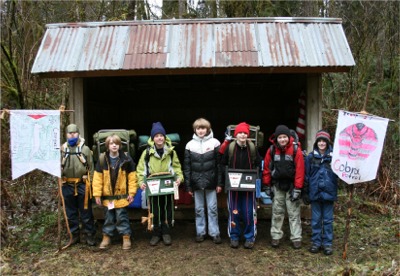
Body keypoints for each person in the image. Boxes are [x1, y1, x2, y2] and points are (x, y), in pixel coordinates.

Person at [137, 122, 184, 246]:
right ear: (153, 138)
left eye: (161, 135)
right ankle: (156, 233)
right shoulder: (147, 153)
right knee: (155, 209)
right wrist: (141, 182)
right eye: (156, 136)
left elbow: (177, 167)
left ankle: (166, 232)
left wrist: (179, 178)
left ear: (165, 137)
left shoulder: (171, 152)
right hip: (153, 187)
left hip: (167, 185)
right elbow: (141, 169)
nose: (159, 138)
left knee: (167, 207)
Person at [219, 122, 261, 249]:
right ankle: (234, 236)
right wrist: (224, 182)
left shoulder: (252, 148)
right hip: (234, 187)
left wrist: (258, 184)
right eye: (240, 133)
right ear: (235, 135)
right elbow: (222, 164)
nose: (242, 135)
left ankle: (249, 237)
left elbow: (259, 165)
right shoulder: (230, 148)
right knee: (234, 212)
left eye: (245, 133)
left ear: (248, 135)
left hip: (249, 188)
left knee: (249, 212)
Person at [92, 134, 138, 250]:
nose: (114, 146)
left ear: (120, 146)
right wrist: (97, 194)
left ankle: (126, 237)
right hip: (108, 198)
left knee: (122, 217)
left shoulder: (127, 159)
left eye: (116, 143)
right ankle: (106, 237)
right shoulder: (103, 160)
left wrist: (132, 193)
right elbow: (97, 179)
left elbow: (132, 178)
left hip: (121, 197)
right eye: (111, 143)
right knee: (108, 218)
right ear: (107, 146)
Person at [262, 124, 305, 249]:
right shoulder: (271, 150)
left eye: (284, 137)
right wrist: (267, 185)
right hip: (278, 185)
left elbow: (300, 170)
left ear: (289, 137)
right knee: (277, 212)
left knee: (293, 213)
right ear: (276, 139)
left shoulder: (296, 149)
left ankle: (296, 238)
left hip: (292, 186)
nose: (282, 140)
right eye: (280, 137)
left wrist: (298, 188)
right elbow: (266, 169)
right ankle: (275, 236)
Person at [183, 118, 222, 244]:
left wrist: (219, 183)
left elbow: (219, 165)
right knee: (198, 209)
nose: (201, 131)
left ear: (207, 129)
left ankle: (214, 233)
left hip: (211, 182)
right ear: (195, 130)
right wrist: (188, 186)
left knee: (212, 208)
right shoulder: (189, 145)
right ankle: (200, 232)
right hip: (196, 183)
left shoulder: (215, 143)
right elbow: (187, 167)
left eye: (203, 128)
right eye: (198, 128)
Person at [61, 124, 96, 246]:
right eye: (70, 133)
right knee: (71, 212)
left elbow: (91, 168)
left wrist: (91, 184)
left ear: (78, 134)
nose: (72, 135)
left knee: (86, 212)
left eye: (74, 133)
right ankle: (74, 235)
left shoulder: (85, 150)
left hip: (83, 185)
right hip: (67, 185)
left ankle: (89, 235)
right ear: (66, 135)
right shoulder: (62, 150)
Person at [304, 130, 338, 255]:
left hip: (329, 193)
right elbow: (306, 176)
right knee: (316, 220)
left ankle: (327, 244)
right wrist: (306, 192)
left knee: (328, 220)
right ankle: (316, 242)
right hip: (315, 193)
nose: (322, 143)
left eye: (324, 141)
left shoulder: (334, 157)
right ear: (316, 142)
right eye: (320, 141)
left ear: (328, 142)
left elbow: (339, 175)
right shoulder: (310, 157)